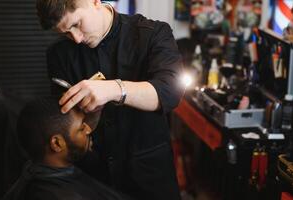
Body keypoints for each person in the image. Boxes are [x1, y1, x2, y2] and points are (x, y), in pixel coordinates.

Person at [36, 0, 185, 199]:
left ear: (95, 2)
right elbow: (64, 117)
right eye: (65, 33)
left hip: (149, 174)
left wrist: (115, 89)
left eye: (76, 24)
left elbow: (169, 92)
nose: (77, 39)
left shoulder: (152, 34)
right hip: (93, 176)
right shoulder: (59, 54)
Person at [1, 97, 131, 200]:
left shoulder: (33, 171)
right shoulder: (60, 195)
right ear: (57, 143)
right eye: (81, 128)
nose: (88, 129)